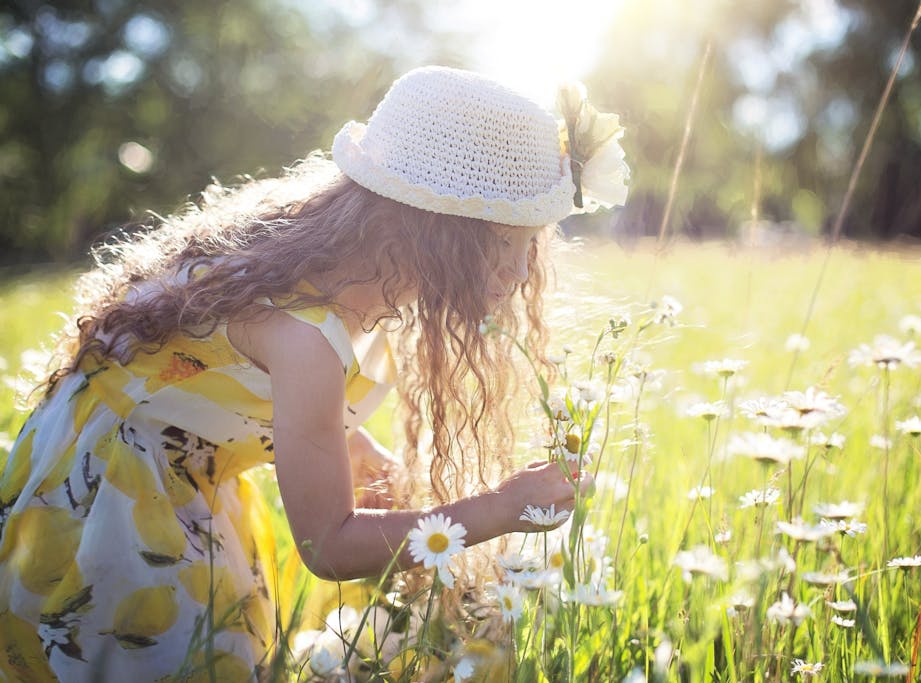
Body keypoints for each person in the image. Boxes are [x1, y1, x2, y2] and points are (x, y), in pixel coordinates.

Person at [0, 65, 627, 681]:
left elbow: (215, 377)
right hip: (110, 492)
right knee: (164, 657)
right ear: (434, 232)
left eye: (530, 244)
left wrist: (351, 445)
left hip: (174, 461)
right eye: (504, 243)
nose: (522, 273)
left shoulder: (336, 264)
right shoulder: (307, 335)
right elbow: (328, 547)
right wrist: (500, 507)